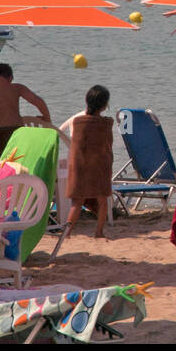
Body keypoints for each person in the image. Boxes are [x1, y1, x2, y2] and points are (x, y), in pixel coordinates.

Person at [66, 85, 114, 239]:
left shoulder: (78, 122)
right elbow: (108, 145)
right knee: (102, 200)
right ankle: (99, 232)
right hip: (99, 166)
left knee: (77, 202)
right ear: (105, 105)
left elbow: (76, 146)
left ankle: (66, 233)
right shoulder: (106, 123)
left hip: (80, 166)